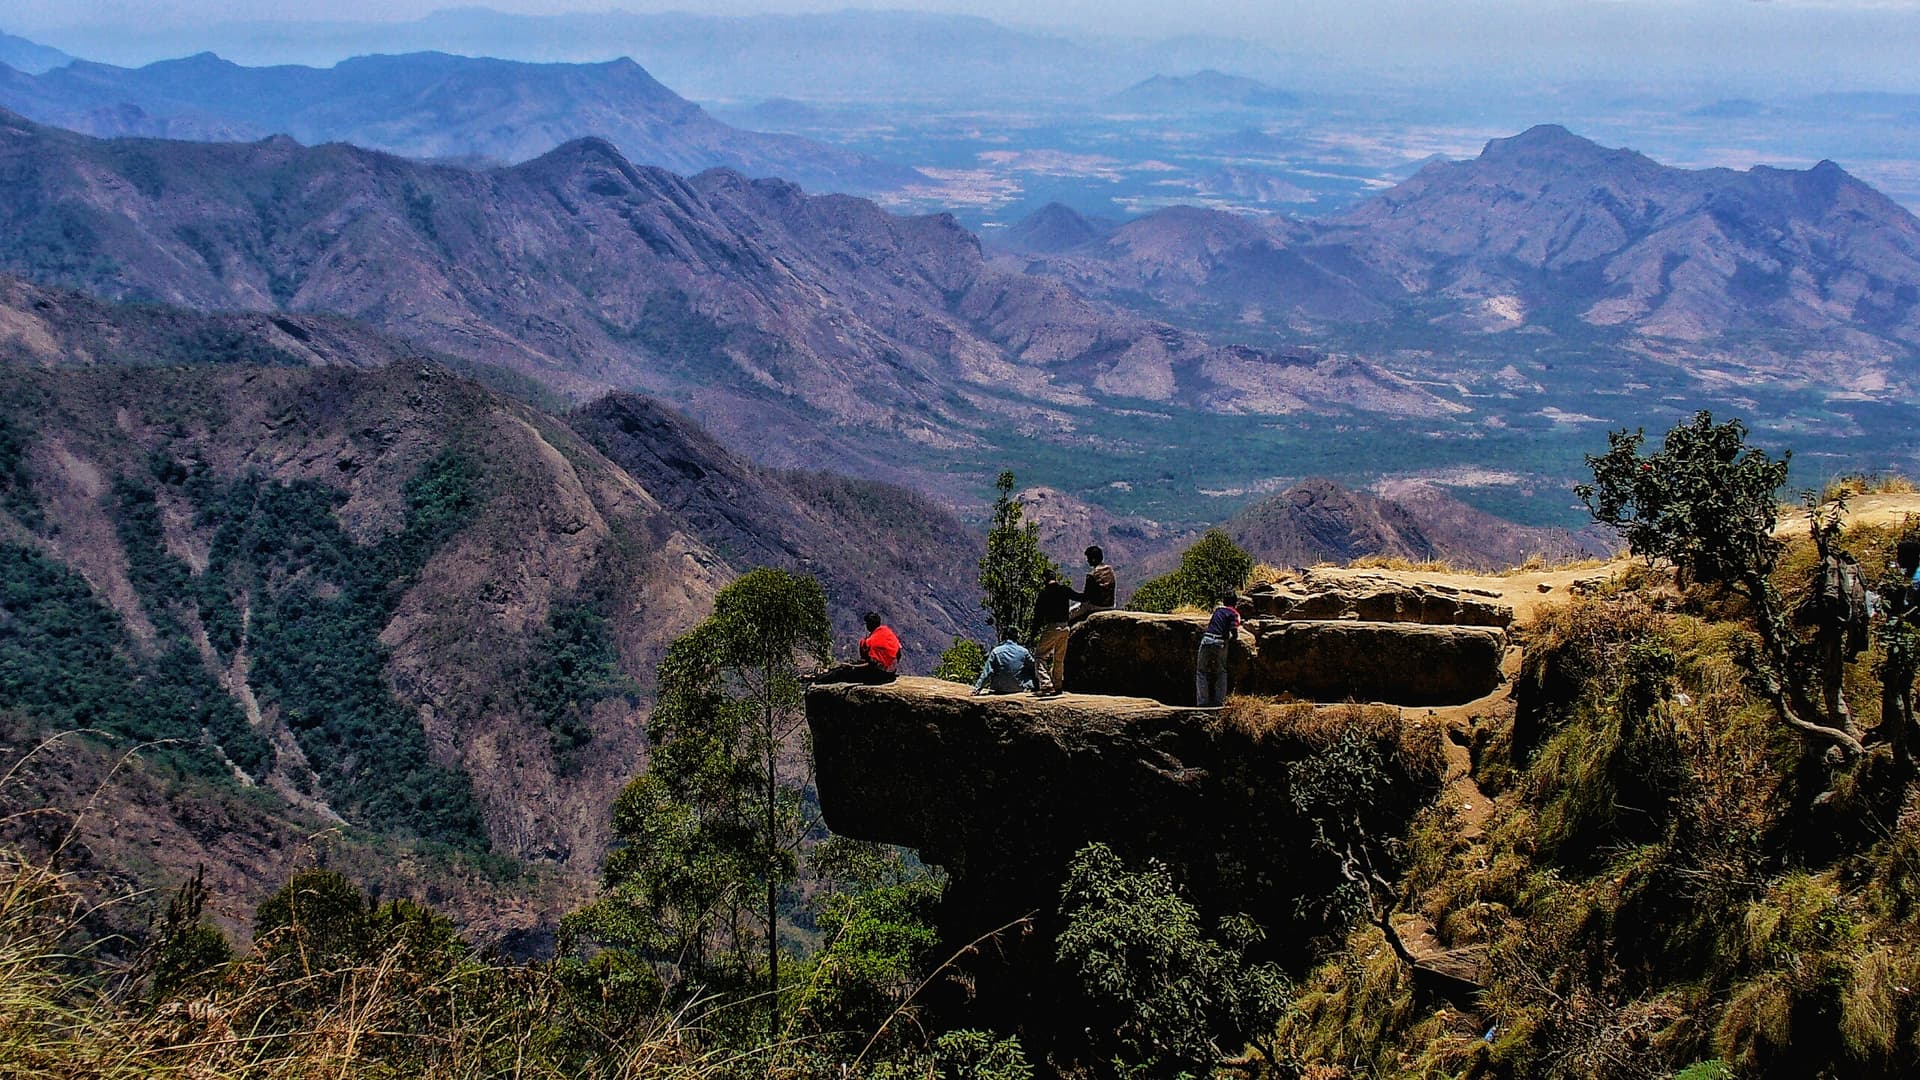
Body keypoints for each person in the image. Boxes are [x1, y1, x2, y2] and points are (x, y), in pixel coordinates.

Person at [811, 612, 901, 685]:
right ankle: (826, 673)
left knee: (842, 673)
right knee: (848, 667)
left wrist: (853, 666)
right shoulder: (887, 632)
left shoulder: (872, 642)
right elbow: (898, 653)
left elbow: (871, 665)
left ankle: (818, 679)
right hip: (891, 672)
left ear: (869, 625)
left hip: (880, 675)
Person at [1030, 569, 1076, 694]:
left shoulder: (1044, 594)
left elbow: (1038, 618)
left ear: (1044, 579)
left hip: (1052, 627)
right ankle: (1058, 685)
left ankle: (1046, 684)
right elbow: (1080, 597)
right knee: (1059, 658)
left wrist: (1033, 634)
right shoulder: (1064, 590)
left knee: (1039, 656)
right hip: (1065, 628)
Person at [1195, 590, 1242, 708]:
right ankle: (1219, 702)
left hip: (1206, 640)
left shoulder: (1218, 611)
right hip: (1220, 642)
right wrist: (1233, 638)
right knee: (1221, 671)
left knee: (1201, 671)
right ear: (1235, 602)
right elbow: (1234, 630)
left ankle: (1202, 702)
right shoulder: (1234, 613)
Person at [973, 629, 1039, 695]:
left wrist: (977, 689)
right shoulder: (1024, 652)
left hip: (999, 688)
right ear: (1017, 637)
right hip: (1019, 687)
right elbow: (1034, 667)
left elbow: (987, 672)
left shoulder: (996, 651)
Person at [1068, 545, 1117, 624]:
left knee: (1069, 613)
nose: (1087, 561)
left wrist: (1070, 594)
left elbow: (1085, 597)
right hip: (1111, 605)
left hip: (1096, 606)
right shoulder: (1110, 569)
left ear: (1093, 559)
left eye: (1088, 558)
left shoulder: (1092, 575)